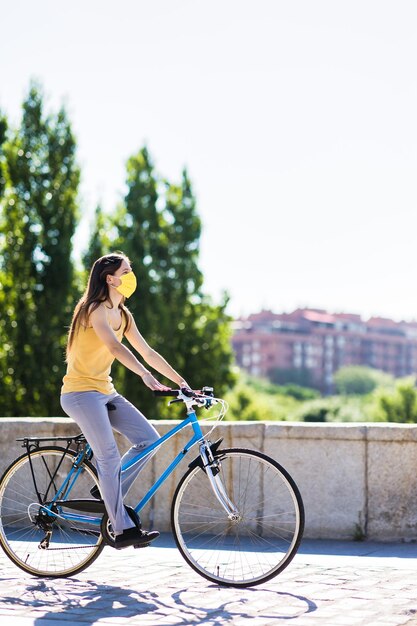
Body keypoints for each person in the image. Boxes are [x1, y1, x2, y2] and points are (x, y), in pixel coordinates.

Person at [60, 252, 190, 549]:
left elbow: (148, 352)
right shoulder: (94, 309)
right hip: (80, 394)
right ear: (111, 278)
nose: (132, 275)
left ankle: (106, 490)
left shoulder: (124, 315)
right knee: (108, 457)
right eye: (127, 270)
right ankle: (121, 530)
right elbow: (115, 347)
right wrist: (145, 376)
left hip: (105, 392)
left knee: (148, 439)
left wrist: (182, 383)